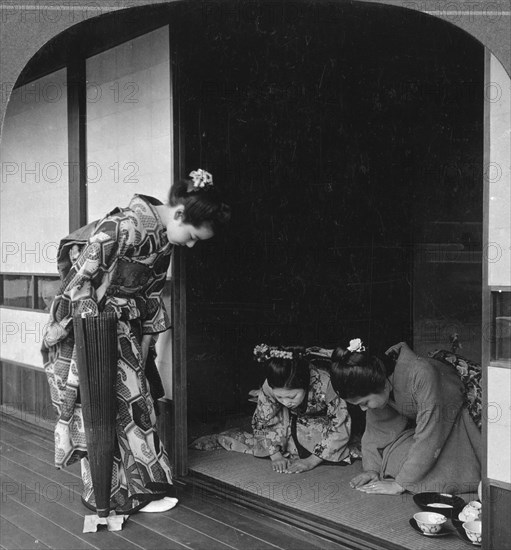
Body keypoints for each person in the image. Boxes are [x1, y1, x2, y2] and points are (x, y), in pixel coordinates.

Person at [42, 169, 230, 514]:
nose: (189, 244)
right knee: (96, 408)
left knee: (135, 405)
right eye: (190, 236)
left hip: (124, 331)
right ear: (178, 214)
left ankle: (142, 491)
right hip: (90, 328)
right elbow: (77, 284)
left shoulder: (162, 239)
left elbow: (150, 298)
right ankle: (108, 495)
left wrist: (143, 350)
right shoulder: (122, 227)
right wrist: (84, 336)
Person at [330, 339, 481, 495]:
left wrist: (400, 484)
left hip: (455, 420)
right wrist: (372, 469)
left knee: (437, 476)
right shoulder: (380, 377)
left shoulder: (421, 374)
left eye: (365, 402)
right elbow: (376, 429)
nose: (363, 409)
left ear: (381, 384)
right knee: (392, 463)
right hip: (429, 427)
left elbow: (430, 435)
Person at [206, 344, 352, 473]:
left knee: (336, 450)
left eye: (292, 396)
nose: (286, 402)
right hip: (287, 420)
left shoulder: (327, 384)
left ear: (305, 383)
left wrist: (310, 462)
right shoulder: (269, 385)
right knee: (270, 436)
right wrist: (275, 455)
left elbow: (339, 424)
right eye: (280, 397)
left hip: (321, 422)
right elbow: (263, 419)